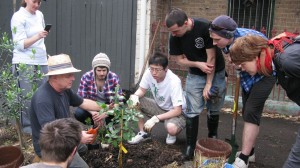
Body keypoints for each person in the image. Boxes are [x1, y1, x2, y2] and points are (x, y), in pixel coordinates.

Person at [209, 15, 276, 168]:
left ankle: (244, 158)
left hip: (264, 76)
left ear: (228, 35)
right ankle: (250, 152)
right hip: (248, 77)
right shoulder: (225, 42)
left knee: (251, 111)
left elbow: (269, 55)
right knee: (247, 111)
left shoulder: (250, 39)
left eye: (217, 39)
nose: (214, 43)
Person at [228, 34, 300, 168]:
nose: (242, 69)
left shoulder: (288, 61)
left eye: (243, 64)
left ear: (255, 57)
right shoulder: (276, 62)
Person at [165, 8, 226, 159]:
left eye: (176, 31)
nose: (174, 34)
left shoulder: (204, 27)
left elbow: (211, 59)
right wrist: (198, 64)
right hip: (195, 73)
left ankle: (212, 140)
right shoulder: (174, 36)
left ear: (186, 23)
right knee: (192, 109)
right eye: (171, 32)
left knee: (213, 106)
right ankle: (190, 148)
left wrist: (208, 84)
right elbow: (179, 60)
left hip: (216, 72)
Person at [30, 54, 104, 168]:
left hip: (63, 137)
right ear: (55, 77)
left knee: (83, 148)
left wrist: (107, 107)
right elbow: (52, 133)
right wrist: (78, 136)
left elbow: (83, 102)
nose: (73, 78)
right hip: (50, 147)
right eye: (68, 75)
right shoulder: (43, 99)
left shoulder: (64, 90)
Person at [127, 51, 186, 146]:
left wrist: (156, 118)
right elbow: (142, 90)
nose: (154, 73)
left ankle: (172, 133)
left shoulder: (174, 82)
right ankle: (143, 133)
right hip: (160, 107)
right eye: (152, 69)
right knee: (135, 101)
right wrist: (134, 96)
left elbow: (178, 110)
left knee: (171, 128)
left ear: (166, 69)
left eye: (157, 70)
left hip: (177, 113)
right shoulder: (149, 73)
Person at [11, 0, 49, 134]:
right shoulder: (18, 17)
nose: (37, 5)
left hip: (41, 60)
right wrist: (38, 35)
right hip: (24, 61)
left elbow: (40, 41)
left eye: (39, 2)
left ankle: (43, 124)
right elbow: (20, 45)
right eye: (34, 1)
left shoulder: (40, 15)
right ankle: (27, 127)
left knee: (44, 94)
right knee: (26, 96)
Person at [75, 52, 122, 126]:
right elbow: (80, 100)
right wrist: (93, 113)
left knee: (120, 113)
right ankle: (94, 126)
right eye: (99, 70)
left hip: (108, 107)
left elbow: (118, 102)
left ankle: (109, 128)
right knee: (79, 113)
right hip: (91, 106)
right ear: (94, 69)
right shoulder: (86, 77)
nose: (102, 73)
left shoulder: (113, 77)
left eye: (104, 70)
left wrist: (105, 113)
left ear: (108, 69)